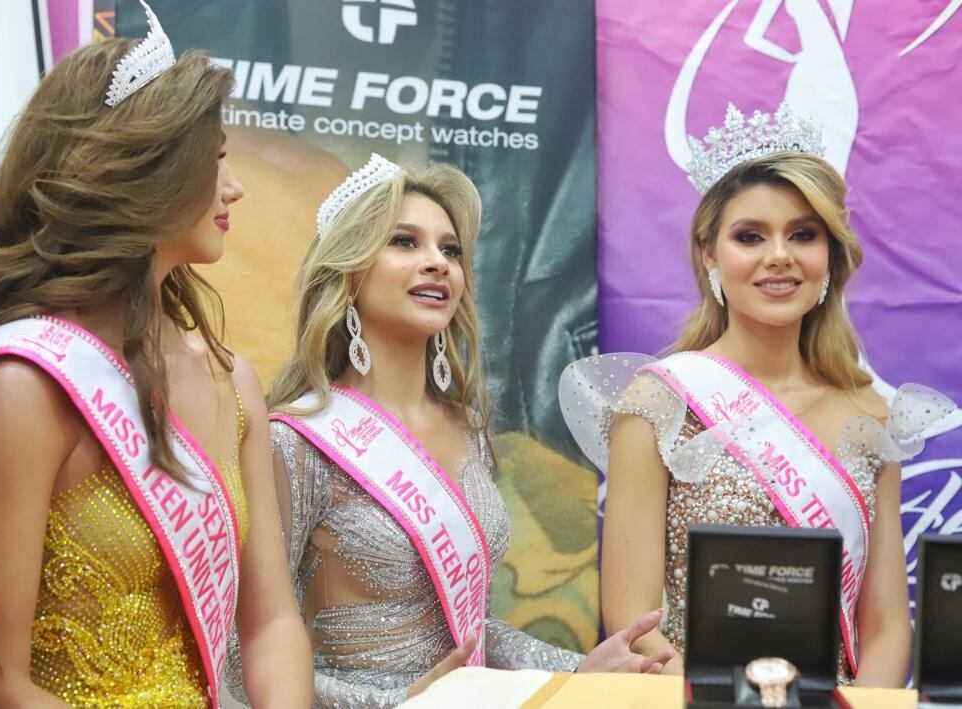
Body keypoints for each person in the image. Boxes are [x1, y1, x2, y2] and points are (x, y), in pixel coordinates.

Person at [0, 3, 311, 706]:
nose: (233, 187)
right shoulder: (25, 383)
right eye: (216, 158)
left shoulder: (234, 384)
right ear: (146, 168)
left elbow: (269, 624)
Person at [224, 154, 673, 707]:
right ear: (349, 272)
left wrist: (580, 670)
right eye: (405, 242)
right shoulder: (294, 443)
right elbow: (245, 653)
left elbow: (473, 633)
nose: (437, 262)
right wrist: (400, 703)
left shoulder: (470, 428)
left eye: (450, 249)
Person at [561, 103, 956, 686]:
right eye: (750, 236)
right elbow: (634, 621)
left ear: (830, 258)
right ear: (710, 255)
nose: (779, 255)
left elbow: (887, 628)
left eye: (803, 234)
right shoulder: (660, 400)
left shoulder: (873, 415)